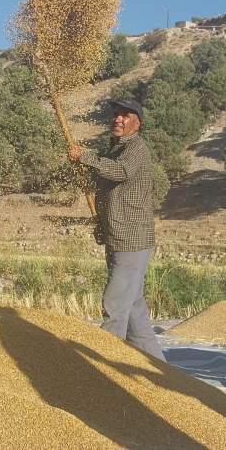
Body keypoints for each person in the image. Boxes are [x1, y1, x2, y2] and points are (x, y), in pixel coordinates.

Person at [68, 98, 166, 362]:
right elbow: (108, 187)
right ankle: (164, 373)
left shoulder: (136, 149)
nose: (118, 119)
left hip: (132, 239)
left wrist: (86, 157)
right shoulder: (114, 151)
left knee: (115, 306)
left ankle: (104, 367)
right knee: (134, 311)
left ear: (138, 122)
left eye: (125, 115)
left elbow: (120, 172)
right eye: (116, 114)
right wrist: (101, 223)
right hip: (117, 236)